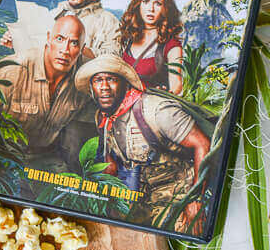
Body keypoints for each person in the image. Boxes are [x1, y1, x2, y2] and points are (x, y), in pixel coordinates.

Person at [75, 55, 210, 233]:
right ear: (92, 88)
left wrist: (195, 200)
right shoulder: (104, 117)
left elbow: (203, 144)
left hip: (183, 189)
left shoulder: (156, 111)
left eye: (111, 79)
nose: (104, 87)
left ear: (125, 83)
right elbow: (111, 164)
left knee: (184, 232)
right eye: (98, 80)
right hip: (147, 194)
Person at [0, 14, 90, 170]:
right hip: (0, 155)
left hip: (44, 158)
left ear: (81, 49)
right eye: (60, 39)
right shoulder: (14, 69)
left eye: (74, 43)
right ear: (49, 38)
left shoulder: (88, 76)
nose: (65, 50)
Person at [0, 0, 120, 59]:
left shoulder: (108, 20)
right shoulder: (54, 14)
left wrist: (78, 48)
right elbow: (37, 50)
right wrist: (18, 41)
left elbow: (114, 58)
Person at [120, 0, 183, 93]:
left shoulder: (171, 45)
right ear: (138, 5)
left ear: (165, 9)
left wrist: (164, 96)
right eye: (146, 2)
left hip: (149, 106)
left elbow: (176, 84)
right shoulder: (127, 38)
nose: (151, 9)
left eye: (158, 4)